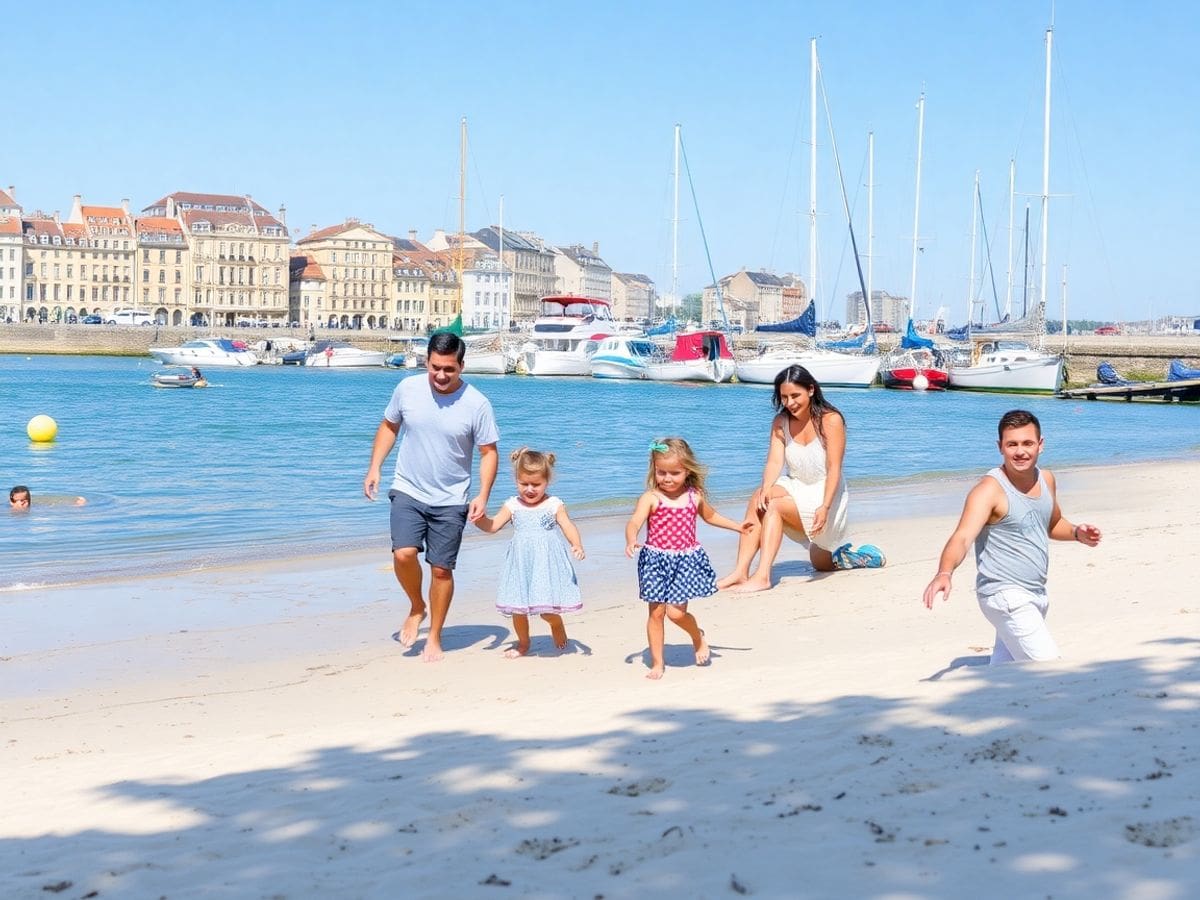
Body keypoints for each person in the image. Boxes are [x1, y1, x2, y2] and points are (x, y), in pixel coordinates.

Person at [922, 409, 1102, 664]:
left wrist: (1075, 533)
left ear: (1041, 445)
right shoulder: (989, 491)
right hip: (1005, 595)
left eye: (1027, 443)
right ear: (1000, 447)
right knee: (1049, 668)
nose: (1020, 451)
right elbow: (962, 537)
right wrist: (944, 572)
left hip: (1036, 593)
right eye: (1012, 444)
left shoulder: (1046, 479)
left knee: (1007, 674)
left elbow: (1049, 523)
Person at [363, 331, 499, 662]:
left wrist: (482, 494)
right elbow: (389, 426)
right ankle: (416, 606)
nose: (440, 375)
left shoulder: (477, 404)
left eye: (449, 369)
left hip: (452, 498)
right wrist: (375, 467)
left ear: (462, 366)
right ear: (427, 361)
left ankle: (435, 635)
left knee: (441, 570)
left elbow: (489, 452)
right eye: (435, 367)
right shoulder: (407, 389)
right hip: (408, 487)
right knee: (404, 554)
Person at [717, 365, 883, 593]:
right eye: (784, 397)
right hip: (796, 485)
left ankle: (763, 576)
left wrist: (824, 507)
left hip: (826, 493)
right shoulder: (780, 422)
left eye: (795, 395)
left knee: (818, 560)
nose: (790, 402)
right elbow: (775, 462)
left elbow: (834, 468)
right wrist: (766, 486)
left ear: (811, 390)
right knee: (760, 497)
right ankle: (740, 571)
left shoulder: (831, 420)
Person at [625, 437, 751, 680]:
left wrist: (738, 527)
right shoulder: (651, 498)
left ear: (687, 470)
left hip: (685, 562)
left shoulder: (694, 496)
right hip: (655, 561)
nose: (667, 478)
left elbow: (711, 517)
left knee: (676, 613)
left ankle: (697, 636)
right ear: (654, 470)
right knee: (656, 613)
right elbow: (634, 522)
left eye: (674, 473)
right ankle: (658, 662)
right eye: (661, 472)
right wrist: (631, 539)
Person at [474, 447, 585, 658]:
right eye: (524, 484)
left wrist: (576, 544)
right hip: (520, 565)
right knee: (518, 609)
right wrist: (479, 519)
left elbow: (568, 526)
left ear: (547, 482)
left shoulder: (554, 504)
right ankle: (523, 644)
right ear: (516, 480)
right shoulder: (512, 505)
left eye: (536, 484)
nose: (530, 489)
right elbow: (493, 526)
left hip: (545, 564)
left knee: (547, 610)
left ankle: (557, 624)